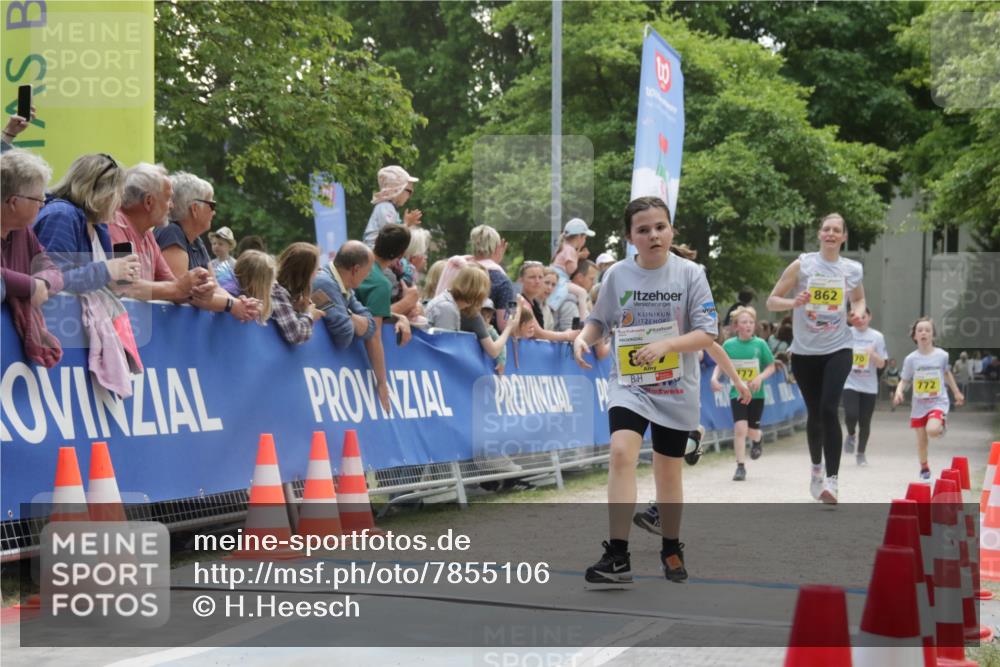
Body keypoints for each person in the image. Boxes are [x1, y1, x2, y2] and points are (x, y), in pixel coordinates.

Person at [573, 196, 717, 586]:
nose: (653, 235)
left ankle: (671, 547)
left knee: (668, 472)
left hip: (675, 387)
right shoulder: (618, 275)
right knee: (621, 453)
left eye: (660, 227)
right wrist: (583, 339)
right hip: (630, 384)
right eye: (643, 230)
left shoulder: (691, 274)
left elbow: (707, 332)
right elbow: (599, 320)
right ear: (629, 238)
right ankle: (617, 555)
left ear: (671, 230)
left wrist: (667, 345)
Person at [767, 213, 865, 504]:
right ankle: (816, 470)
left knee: (828, 408)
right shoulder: (803, 265)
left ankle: (832, 482)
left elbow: (859, 299)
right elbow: (772, 301)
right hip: (805, 352)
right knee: (815, 412)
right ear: (820, 234)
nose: (831, 234)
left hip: (839, 348)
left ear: (844, 237)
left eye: (837, 230)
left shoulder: (852, 269)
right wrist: (793, 301)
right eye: (826, 229)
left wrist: (857, 313)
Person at [33, 153, 140, 294]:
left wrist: (114, 284)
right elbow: (52, 281)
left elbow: (90, 283)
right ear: (103, 193)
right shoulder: (61, 216)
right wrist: (107, 270)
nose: (120, 203)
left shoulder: (98, 226)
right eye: (119, 194)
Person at [110, 163, 215, 304]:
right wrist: (179, 288)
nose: (172, 205)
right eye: (168, 199)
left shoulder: (147, 236)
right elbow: (126, 286)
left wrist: (197, 291)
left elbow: (173, 287)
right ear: (148, 202)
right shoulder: (117, 224)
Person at [1, 148, 63, 367]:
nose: (42, 204)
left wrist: (42, 283)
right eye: (38, 198)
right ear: (13, 202)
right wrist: (31, 286)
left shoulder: (24, 231)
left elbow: (53, 270)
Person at [893, 317, 965, 480]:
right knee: (922, 441)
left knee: (932, 430)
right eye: (920, 330)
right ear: (915, 336)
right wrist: (898, 392)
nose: (923, 333)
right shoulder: (911, 359)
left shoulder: (942, 355)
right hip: (919, 405)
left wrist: (956, 393)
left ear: (933, 335)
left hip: (938, 401)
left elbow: (947, 374)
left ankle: (941, 424)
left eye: (927, 330)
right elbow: (904, 379)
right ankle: (924, 468)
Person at [711, 306, 776, 481]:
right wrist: (714, 378)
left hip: (756, 394)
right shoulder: (729, 345)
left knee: (752, 431)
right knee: (740, 428)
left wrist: (760, 377)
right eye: (744, 322)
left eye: (751, 322)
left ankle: (758, 439)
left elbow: (771, 366)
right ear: (736, 326)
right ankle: (740, 467)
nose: (748, 325)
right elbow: (720, 364)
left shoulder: (760, 344)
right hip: (737, 393)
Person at [353, 225, 414, 411]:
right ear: (401, 254)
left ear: (377, 240)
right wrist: (381, 383)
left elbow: (365, 310)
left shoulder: (353, 258)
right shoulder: (380, 283)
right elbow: (374, 335)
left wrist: (397, 316)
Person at [425, 264, 525, 365]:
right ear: (479, 292)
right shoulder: (447, 308)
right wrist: (509, 327)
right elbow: (446, 351)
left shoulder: (463, 308)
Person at [235, 248, 322, 344]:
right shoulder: (276, 293)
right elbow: (295, 334)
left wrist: (293, 307)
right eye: (272, 279)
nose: (275, 284)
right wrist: (310, 315)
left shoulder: (236, 294)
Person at [840, 307, 887, 466]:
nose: (860, 320)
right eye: (856, 317)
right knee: (851, 414)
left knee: (865, 421)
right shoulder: (846, 333)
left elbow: (882, 364)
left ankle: (861, 453)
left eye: (863, 316)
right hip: (850, 382)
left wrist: (872, 354)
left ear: (869, 317)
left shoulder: (877, 337)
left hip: (869, 385)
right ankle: (851, 434)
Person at [311, 240, 376, 350]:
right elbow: (344, 336)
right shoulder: (324, 283)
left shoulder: (345, 286)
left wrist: (347, 314)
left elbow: (371, 327)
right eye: (368, 270)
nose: (368, 275)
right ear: (356, 269)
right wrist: (352, 317)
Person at [155, 172, 216, 275]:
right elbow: (177, 284)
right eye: (212, 205)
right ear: (195, 209)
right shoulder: (171, 233)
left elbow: (214, 283)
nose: (214, 212)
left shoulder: (195, 240)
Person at [469, 224, 515, 330]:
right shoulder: (502, 281)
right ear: (497, 248)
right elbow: (505, 324)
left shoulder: (458, 270)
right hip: (488, 337)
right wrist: (516, 310)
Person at [363, 165, 421, 247]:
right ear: (397, 189)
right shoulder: (385, 207)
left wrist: (406, 225)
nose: (410, 196)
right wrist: (406, 224)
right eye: (409, 191)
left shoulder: (388, 208)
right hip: (375, 253)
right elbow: (390, 237)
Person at [550, 218, 594, 320]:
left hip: (557, 277)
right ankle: (583, 320)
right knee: (582, 293)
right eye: (585, 237)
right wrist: (577, 254)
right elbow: (571, 269)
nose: (585, 241)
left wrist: (578, 255)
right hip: (561, 280)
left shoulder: (565, 247)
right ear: (579, 237)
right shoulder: (570, 250)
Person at [555, 259, 597, 331]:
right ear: (580, 277)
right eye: (591, 279)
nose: (594, 283)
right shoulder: (569, 301)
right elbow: (570, 332)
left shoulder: (583, 298)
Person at [208, 226, 239, 295]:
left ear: (230, 246)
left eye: (220, 244)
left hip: (231, 296)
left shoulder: (235, 264)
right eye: (214, 243)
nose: (216, 246)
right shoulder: (210, 264)